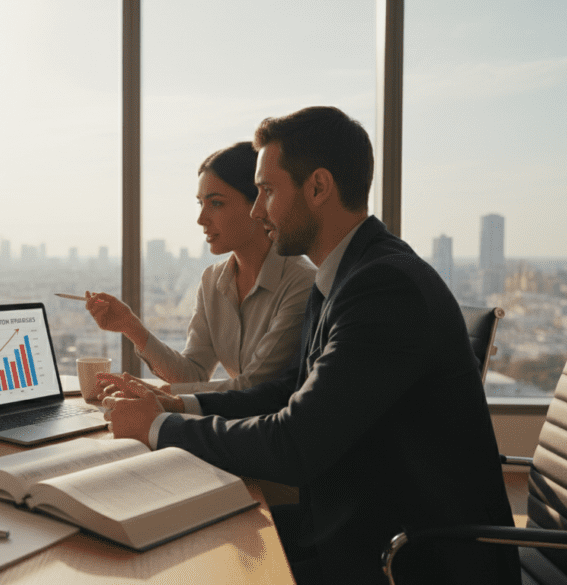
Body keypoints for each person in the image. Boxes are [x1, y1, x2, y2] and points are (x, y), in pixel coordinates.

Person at [97, 107, 520, 584]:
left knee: (190, 561)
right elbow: (287, 394)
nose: (258, 210)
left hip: (410, 556)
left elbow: (296, 443)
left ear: (318, 188)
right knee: (179, 541)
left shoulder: (382, 287)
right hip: (359, 521)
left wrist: (158, 427)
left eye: (267, 191)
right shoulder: (343, 275)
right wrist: (178, 405)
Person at [84, 141, 316, 394]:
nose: (201, 219)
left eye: (216, 203)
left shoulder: (301, 282)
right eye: (200, 203)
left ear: (258, 203)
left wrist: (160, 395)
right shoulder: (212, 280)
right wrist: (131, 327)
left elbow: (256, 387)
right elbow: (192, 373)